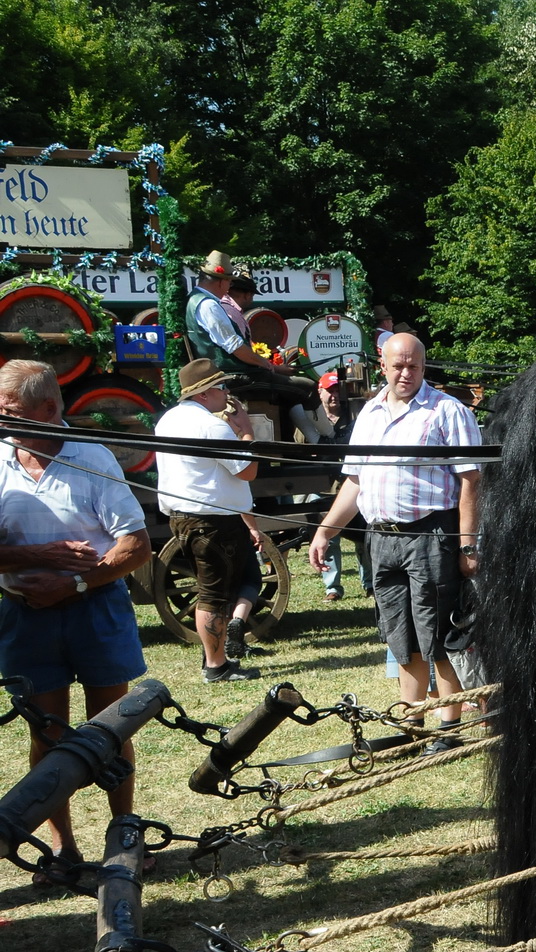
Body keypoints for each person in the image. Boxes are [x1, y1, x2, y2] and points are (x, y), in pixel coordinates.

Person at [0, 360, 154, 879]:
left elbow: (135, 547)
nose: (1, 419)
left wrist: (73, 583)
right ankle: (62, 849)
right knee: (46, 733)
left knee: (112, 728)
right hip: (24, 617)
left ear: (48, 409)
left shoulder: (92, 458)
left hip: (95, 607)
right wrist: (41, 558)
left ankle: (124, 840)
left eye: (10, 411)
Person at [309, 334, 481, 744]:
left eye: (414, 366)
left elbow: (472, 480)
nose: (406, 373)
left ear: (424, 367)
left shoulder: (447, 411)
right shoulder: (369, 413)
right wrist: (325, 531)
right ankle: (412, 725)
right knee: (401, 637)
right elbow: (355, 481)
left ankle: (449, 727)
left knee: (437, 633)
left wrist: (468, 545)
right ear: (382, 366)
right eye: (398, 366)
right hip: (381, 539)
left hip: (431, 536)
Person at [154, 358, 263, 681]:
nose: (226, 393)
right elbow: (248, 470)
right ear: (203, 393)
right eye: (221, 387)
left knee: (212, 590)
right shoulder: (211, 426)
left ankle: (215, 659)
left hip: (185, 516)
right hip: (213, 520)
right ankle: (215, 666)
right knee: (214, 594)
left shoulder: (168, 420)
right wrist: (245, 432)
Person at [185, 251, 322, 443]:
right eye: (229, 282)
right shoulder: (209, 305)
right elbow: (236, 348)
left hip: (231, 374)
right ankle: (329, 439)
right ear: (220, 282)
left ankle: (313, 442)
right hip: (236, 377)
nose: (229, 287)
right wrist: (269, 366)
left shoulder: (197, 300)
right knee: (307, 388)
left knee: (290, 394)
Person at [310, 371, 370, 600]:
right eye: (329, 390)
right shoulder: (311, 421)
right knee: (329, 537)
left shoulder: (354, 418)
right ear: (320, 392)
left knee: (363, 537)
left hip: (349, 485)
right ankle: (332, 587)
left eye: (337, 390)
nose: (334, 395)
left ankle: (369, 583)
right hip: (322, 488)